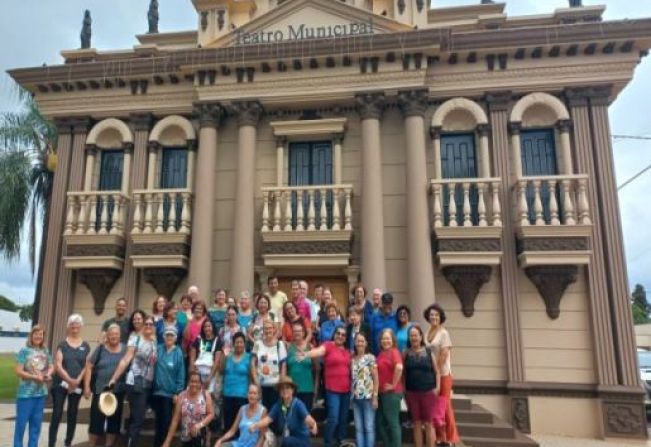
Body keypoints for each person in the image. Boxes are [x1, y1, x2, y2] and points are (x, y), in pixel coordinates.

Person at [108, 314, 158, 447]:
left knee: (136, 419)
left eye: (150, 324)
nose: (148, 326)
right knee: (137, 420)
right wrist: (114, 378)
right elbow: (125, 360)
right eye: (146, 324)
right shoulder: (135, 339)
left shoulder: (154, 341)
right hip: (135, 382)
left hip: (148, 384)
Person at [297, 326, 351, 447]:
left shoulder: (347, 351)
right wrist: (306, 354)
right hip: (332, 390)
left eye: (343, 335)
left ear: (345, 338)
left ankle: (341, 440)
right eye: (338, 333)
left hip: (346, 390)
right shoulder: (328, 345)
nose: (340, 336)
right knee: (333, 417)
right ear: (334, 334)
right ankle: (328, 442)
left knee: (343, 419)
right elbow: (319, 351)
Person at [49, 314, 91, 447]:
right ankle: (51, 443)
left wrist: (78, 380)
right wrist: (69, 380)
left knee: (72, 414)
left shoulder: (86, 345)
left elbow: (86, 366)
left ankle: (68, 443)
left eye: (77, 323)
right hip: (60, 384)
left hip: (76, 385)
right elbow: (58, 365)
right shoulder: (62, 344)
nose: (75, 326)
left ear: (81, 326)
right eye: (72, 323)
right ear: (68, 326)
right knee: (57, 414)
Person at [83, 324, 127, 447]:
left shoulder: (125, 349)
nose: (114, 336)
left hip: (117, 392)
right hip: (99, 391)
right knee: (95, 423)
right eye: (111, 334)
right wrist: (87, 386)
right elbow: (89, 366)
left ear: (120, 335)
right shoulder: (101, 348)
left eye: (116, 334)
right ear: (107, 335)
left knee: (113, 424)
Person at [424, 304, 459, 446]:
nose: (434, 317)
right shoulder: (427, 332)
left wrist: (437, 371)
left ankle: (451, 438)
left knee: (444, 406)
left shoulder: (444, 333)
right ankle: (440, 436)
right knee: (436, 408)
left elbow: (444, 354)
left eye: (436, 315)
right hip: (432, 376)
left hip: (443, 374)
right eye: (432, 315)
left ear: (441, 317)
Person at [14, 325, 53, 447]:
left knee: (36, 426)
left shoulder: (45, 351)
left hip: (40, 394)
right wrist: (34, 377)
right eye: (36, 334)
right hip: (26, 395)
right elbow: (18, 371)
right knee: (21, 425)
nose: (38, 336)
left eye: (40, 334)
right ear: (31, 336)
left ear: (43, 337)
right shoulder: (24, 351)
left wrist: (48, 374)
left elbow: (51, 366)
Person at [249, 377, 318, 447]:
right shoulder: (278, 406)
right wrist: (255, 425)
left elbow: (308, 419)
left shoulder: (298, 404)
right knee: (281, 440)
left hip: (301, 442)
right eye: (282, 388)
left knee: (286, 441)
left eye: (287, 387)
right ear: (279, 391)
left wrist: (313, 424)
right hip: (287, 441)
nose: (284, 390)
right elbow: (267, 420)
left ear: (292, 390)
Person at [404, 325, 440, 447]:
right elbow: (403, 373)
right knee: (417, 423)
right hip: (412, 393)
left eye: (416, 335)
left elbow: (437, 372)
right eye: (411, 335)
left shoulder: (429, 352)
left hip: (428, 392)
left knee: (429, 424)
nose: (414, 337)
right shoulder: (406, 353)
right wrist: (405, 390)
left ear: (420, 337)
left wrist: (437, 387)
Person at [162, 371, 215, 447]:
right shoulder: (181, 396)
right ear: (188, 382)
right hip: (186, 436)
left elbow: (211, 414)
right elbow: (175, 420)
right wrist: (167, 442)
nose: (194, 384)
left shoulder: (205, 394)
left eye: (197, 382)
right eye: (192, 381)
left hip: (200, 435)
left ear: (200, 383)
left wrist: (199, 425)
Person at [153, 327, 186, 447]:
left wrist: (178, 392)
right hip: (157, 392)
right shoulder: (159, 349)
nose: (169, 337)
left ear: (175, 338)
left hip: (170, 395)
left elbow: (181, 374)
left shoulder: (178, 352)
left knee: (166, 422)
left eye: (171, 335)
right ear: (164, 337)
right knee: (158, 423)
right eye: (167, 335)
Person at [220, 332, 253, 434]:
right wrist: (224, 356)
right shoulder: (228, 356)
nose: (239, 344)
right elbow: (221, 370)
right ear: (233, 344)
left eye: (241, 342)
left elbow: (253, 375)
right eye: (236, 342)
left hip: (242, 396)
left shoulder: (249, 357)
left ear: (244, 343)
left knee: (240, 426)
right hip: (227, 394)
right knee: (228, 425)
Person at [376, 328, 404, 447]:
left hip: (392, 393)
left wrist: (393, 384)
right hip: (382, 393)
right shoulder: (381, 353)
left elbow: (399, 367)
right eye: (383, 338)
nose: (385, 341)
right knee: (379, 422)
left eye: (388, 338)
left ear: (393, 340)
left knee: (393, 423)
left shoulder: (394, 352)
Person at [251, 320, 287, 410]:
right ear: (263, 330)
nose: (268, 330)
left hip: (276, 386)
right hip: (261, 386)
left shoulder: (280, 344)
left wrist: (281, 383)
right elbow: (252, 363)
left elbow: (283, 365)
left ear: (274, 329)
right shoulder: (257, 344)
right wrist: (256, 381)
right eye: (266, 328)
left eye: (270, 328)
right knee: (262, 413)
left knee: (275, 413)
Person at [350, 332, 378, 447]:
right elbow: (352, 378)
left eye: (362, 341)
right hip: (356, 399)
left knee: (369, 427)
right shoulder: (352, 359)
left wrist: (375, 397)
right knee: (359, 428)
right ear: (355, 343)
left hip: (368, 397)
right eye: (358, 341)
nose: (360, 343)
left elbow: (376, 378)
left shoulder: (370, 358)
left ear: (366, 343)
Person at [286, 322, 318, 412]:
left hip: (307, 388)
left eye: (299, 331)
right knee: (291, 416)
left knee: (306, 417)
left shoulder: (310, 347)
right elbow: (285, 369)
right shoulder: (288, 348)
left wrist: (315, 388)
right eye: (295, 331)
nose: (297, 333)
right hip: (291, 390)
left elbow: (317, 369)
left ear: (304, 333)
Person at [189, 318, 222, 391]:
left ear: (212, 327)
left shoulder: (217, 340)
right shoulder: (198, 339)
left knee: (208, 396)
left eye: (209, 326)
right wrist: (193, 372)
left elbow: (217, 361)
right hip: (197, 373)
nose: (207, 328)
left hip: (210, 373)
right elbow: (192, 357)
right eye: (205, 326)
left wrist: (209, 378)